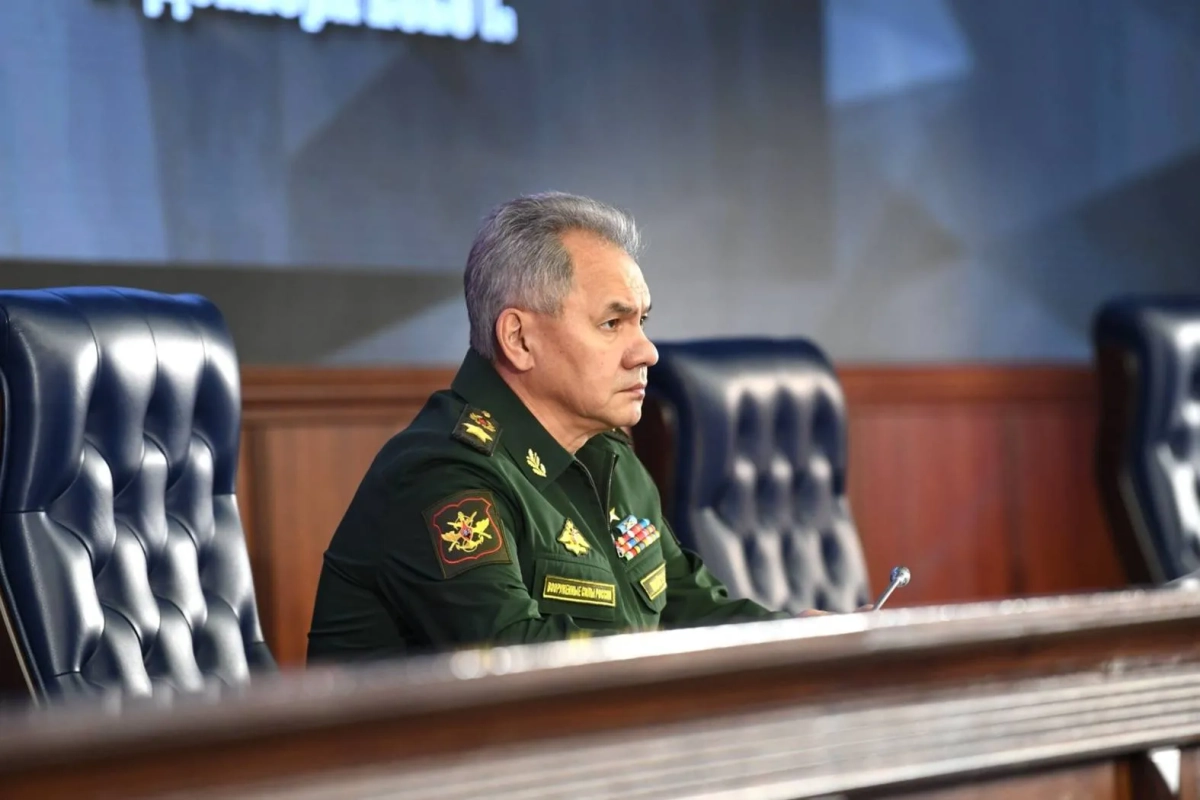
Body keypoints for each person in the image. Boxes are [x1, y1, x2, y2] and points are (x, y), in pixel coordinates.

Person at [306, 192, 813, 663]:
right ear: (519, 339)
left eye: (641, 322)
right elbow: (519, 662)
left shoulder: (609, 455)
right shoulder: (442, 475)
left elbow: (686, 608)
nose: (647, 352)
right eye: (612, 324)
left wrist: (805, 639)